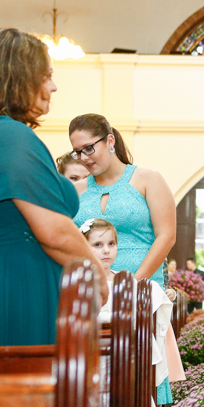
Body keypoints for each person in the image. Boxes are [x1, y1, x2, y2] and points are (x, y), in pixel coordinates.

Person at [0, 29, 108, 347]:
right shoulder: (10, 136)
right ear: (18, 78)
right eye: (46, 76)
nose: (53, 86)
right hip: (16, 289)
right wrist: (98, 276)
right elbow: (54, 232)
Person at [69, 114, 176, 288]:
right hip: (92, 291)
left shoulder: (148, 179)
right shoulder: (75, 190)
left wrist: (132, 285)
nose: (84, 158)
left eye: (89, 148)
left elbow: (166, 237)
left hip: (142, 290)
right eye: (78, 152)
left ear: (110, 141)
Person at [83, 217, 178, 406]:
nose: (106, 250)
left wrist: (164, 295)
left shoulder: (124, 281)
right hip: (91, 353)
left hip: (124, 355)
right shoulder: (82, 281)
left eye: (111, 243)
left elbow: (144, 302)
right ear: (84, 247)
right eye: (97, 245)